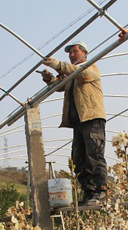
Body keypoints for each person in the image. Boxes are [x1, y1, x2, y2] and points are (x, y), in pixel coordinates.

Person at [40, 41, 107, 205]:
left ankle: (101, 190)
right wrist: (50, 80)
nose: (71, 55)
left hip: (92, 118)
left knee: (94, 155)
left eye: (75, 51)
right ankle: (89, 192)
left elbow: (81, 74)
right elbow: (62, 85)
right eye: (69, 53)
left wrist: (58, 65)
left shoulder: (90, 67)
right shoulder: (73, 74)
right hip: (79, 122)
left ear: (85, 53)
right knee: (78, 159)